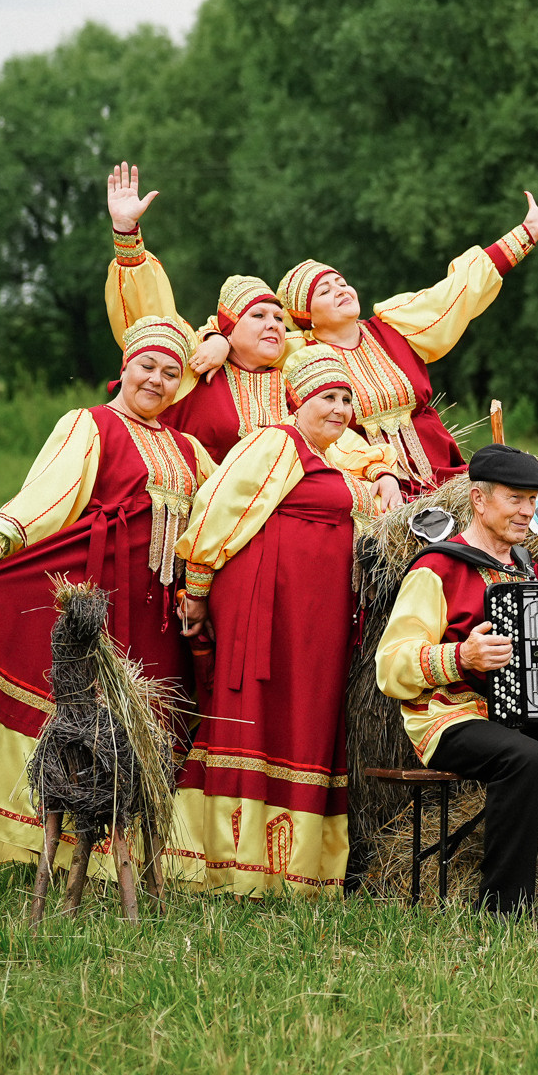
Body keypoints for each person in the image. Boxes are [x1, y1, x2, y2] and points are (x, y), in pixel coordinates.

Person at [0, 316, 215, 879]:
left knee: (157, 720)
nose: (156, 380)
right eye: (146, 367)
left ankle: (142, 856)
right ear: (124, 370)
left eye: (170, 373)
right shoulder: (91, 424)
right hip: (103, 595)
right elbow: (46, 493)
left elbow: (221, 512)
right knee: (89, 721)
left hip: (164, 607)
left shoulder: (191, 449)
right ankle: (70, 846)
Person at [374, 443, 538, 913]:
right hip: (448, 718)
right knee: (524, 757)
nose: (528, 511)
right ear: (479, 499)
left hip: (519, 717)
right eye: (516, 498)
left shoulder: (525, 569)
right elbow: (389, 667)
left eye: (533, 500)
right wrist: (462, 656)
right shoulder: (436, 569)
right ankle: (503, 906)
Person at [171, 347, 394, 898]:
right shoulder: (275, 442)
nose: (340, 409)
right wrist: (196, 591)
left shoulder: (328, 456)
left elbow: (371, 476)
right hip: (266, 603)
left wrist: (385, 472)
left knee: (307, 716)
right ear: (299, 400)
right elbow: (217, 508)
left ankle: (297, 869)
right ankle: (233, 861)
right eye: (328, 398)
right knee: (258, 713)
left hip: (314, 614)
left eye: (347, 400)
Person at [198, 193, 538, 494]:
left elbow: (456, 292)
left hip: (444, 476)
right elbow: (244, 321)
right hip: (371, 489)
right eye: (324, 291)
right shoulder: (296, 352)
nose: (340, 289)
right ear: (305, 315)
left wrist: (527, 233)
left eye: (341, 282)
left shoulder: (394, 326)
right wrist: (215, 337)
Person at [100, 163, 388, 491]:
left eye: (280, 319)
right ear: (229, 328)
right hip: (201, 512)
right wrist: (126, 231)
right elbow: (151, 318)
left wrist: (379, 469)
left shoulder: (291, 381)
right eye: (259, 316)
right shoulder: (196, 368)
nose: (274, 325)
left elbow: (330, 438)